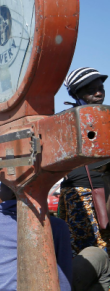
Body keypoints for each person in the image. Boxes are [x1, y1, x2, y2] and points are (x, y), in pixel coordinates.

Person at [57, 67, 110, 255]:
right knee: (86, 252)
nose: (98, 93)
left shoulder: (107, 117)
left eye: (101, 87)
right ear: (76, 93)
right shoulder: (66, 120)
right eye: (90, 90)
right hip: (81, 194)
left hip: (104, 189)